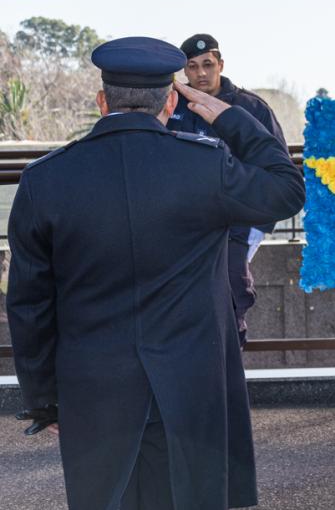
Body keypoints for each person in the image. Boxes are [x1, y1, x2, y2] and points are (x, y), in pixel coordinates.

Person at [6, 37, 305, 510]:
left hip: (93, 387)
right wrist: (226, 115)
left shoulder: (45, 179)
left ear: (102, 101)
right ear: (171, 101)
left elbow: (28, 303)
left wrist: (44, 396)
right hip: (191, 386)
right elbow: (287, 188)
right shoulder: (205, 167)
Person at [169, 33, 289, 347]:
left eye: (208, 64)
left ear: (220, 64)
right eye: (192, 67)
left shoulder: (251, 107)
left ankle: (230, 372)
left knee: (234, 294)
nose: (201, 73)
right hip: (185, 223)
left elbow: (277, 167)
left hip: (237, 221)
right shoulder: (172, 105)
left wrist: (257, 227)